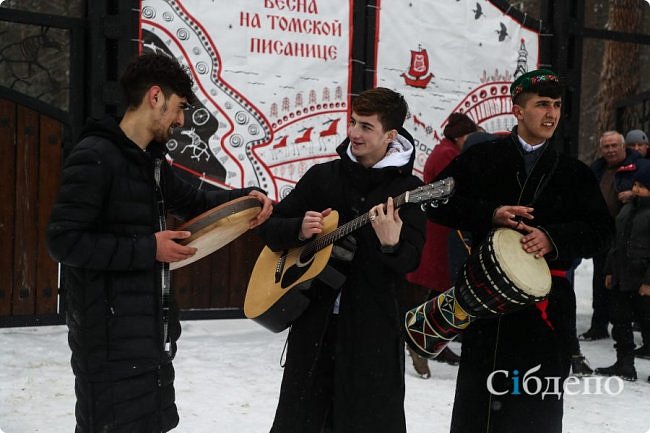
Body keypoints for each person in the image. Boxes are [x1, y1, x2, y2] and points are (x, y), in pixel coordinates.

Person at [46, 53, 273, 433]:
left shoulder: (149, 162)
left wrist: (248, 199)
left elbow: (197, 201)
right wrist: (148, 248)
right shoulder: (95, 157)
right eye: (179, 107)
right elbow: (63, 241)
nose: (182, 120)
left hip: (149, 340)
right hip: (108, 346)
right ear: (155, 96)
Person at [426, 69, 613, 433]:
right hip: (486, 305)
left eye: (557, 105)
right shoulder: (482, 158)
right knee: (479, 413)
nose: (552, 114)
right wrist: (488, 214)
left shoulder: (574, 173)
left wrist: (553, 238)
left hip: (546, 313)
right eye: (542, 104)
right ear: (517, 111)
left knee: (535, 414)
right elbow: (433, 200)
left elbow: (603, 232)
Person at [258, 87, 426, 433]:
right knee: (302, 419)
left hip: (371, 332)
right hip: (314, 324)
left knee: (366, 419)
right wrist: (298, 229)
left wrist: (392, 245)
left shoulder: (409, 189)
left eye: (366, 126)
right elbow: (269, 228)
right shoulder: (323, 177)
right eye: (352, 122)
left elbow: (411, 261)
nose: (353, 133)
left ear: (390, 135)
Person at [403, 112, 477, 376]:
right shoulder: (448, 155)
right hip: (441, 231)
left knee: (432, 289)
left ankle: (432, 342)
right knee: (434, 290)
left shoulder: (444, 151)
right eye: (469, 136)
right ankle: (422, 341)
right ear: (459, 136)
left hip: (439, 229)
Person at [582, 131, 641, 341]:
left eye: (614, 145)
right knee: (600, 282)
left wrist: (633, 195)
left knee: (628, 284)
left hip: (629, 236)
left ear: (624, 146)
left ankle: (631, 332)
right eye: (606, 146)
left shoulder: (639, 167)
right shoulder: (597, 169)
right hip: (602, 234)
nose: (610, 150)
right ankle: (598, 326)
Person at [595, 158, 650, 382]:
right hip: (621, 276)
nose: (636, 190)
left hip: (642, 279)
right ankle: (625, 364)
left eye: (642, 187)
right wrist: (609, 271)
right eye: (635, 185)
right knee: (620, 322)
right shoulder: (627, 209)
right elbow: (615, 244)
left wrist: (648, 281)